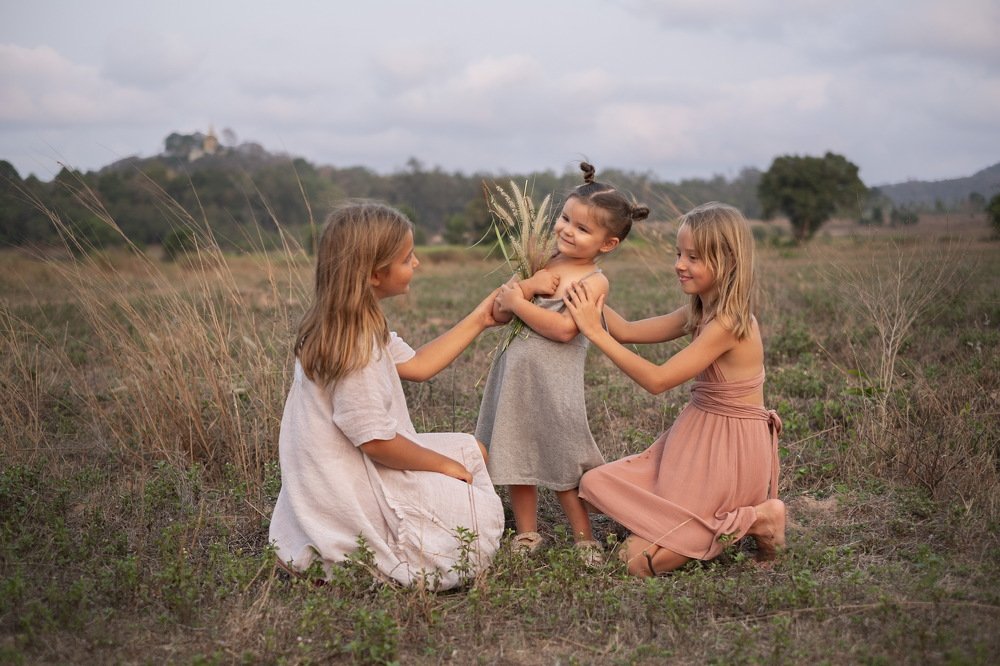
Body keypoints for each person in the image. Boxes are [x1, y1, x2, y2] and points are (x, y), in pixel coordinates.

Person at [268, 201, 505, 590]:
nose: (417, 264)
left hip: (357, 462)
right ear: (376, 274)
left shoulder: (353, 321)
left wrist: (482, 317)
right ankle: (345, 548)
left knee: (472, 452)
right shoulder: (354, 346)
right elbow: (376, 442)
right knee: (476, 517)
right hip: (350, 483)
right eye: (407, 258)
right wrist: (443, 467)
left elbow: (420, 365)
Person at [563, 201, 786, 577]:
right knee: (594, 484)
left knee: (634, 562)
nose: (680, 264)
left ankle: (759, 518)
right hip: (693, 436)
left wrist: (593, 332)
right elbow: (629, 330)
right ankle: (682, 524)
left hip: (729, 450)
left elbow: (658, 380)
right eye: (679, 254)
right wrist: (582, 293)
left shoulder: (730, 322)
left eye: (694, 257)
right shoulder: (698, 311)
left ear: (729, 261)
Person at [475, 162, 650, 561]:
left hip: (555, 381)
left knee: (564, 455)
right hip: (517, 374)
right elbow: (503, 307)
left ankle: (584, 536)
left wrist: (519, 302)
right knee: (516, 448)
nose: (568, 230)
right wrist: (521, 291)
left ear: (608, 244)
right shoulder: (547, 260)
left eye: (583, 229)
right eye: (565, 218)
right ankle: (527, 533)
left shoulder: (594, 281)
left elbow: (564, 330)